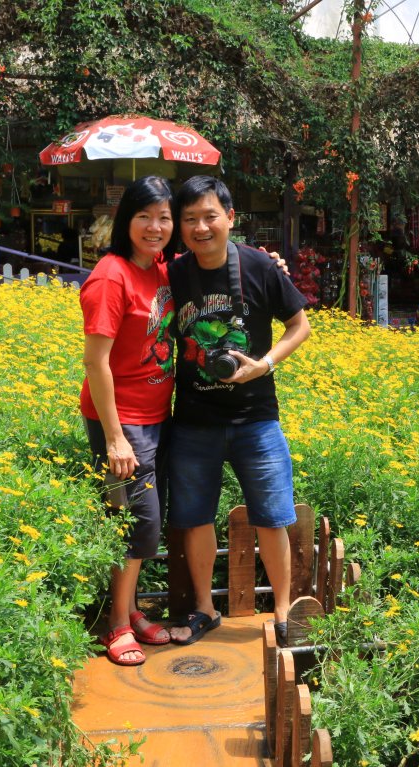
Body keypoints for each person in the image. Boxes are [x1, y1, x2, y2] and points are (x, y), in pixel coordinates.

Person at [165, 176, 311, 647]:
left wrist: (263, 365)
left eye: (210, 216)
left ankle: (285, 614)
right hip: (193, 418)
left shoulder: (260, 267)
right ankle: (205, 610)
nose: (200, 227)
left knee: (272, 516)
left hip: (256, 418)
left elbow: (299, 325)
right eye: (189, 219)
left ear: (231, 218)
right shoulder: (173, 273)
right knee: (195, 517)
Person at [80, 176, 177, 666]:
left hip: (159, 417)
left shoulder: (159, 269)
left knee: (137, 523)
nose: (155, 227)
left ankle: (131, 608)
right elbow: (95, 362)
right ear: (127, 221)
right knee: (141, 524)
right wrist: (116, 438)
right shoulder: (110, 276)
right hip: (124, 423)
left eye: (164, 217)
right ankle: (116, 624)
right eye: (145, 216)